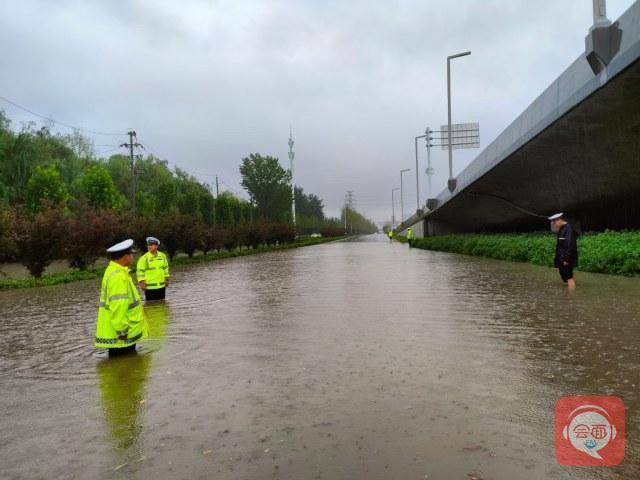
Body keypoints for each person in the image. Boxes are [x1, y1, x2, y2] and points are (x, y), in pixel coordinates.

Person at [95, 239, 148, 356]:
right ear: (125, 257)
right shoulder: (118, 276)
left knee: (125, 368)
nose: (132, 257)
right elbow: (118, 305)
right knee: (125, 367)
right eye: (131, 254)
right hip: (123, 336)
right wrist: (122, 331)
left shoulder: (115, 271)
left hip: (121, 333)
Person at [549, 213, 578, 290]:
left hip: (566, 259)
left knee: (569, 277)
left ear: (559, 220)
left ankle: (571, 297)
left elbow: (570, 245)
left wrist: (567, 259)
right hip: (562, 259)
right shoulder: (562, 229)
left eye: (554, 223)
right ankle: (568, 294)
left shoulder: (568, 229)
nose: (554, 225)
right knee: (565, 276)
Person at [136, 236, 170, 301]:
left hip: (161, 286)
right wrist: (142, 283)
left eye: (151, 245)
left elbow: (165, 268)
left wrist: (167, 279)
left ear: (156, 246)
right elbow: (140, 272)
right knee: (151, 306)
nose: (149, 247)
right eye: (148, 245)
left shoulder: (162, 256)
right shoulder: (144, 258)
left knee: (162, 304)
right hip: (150, 288)